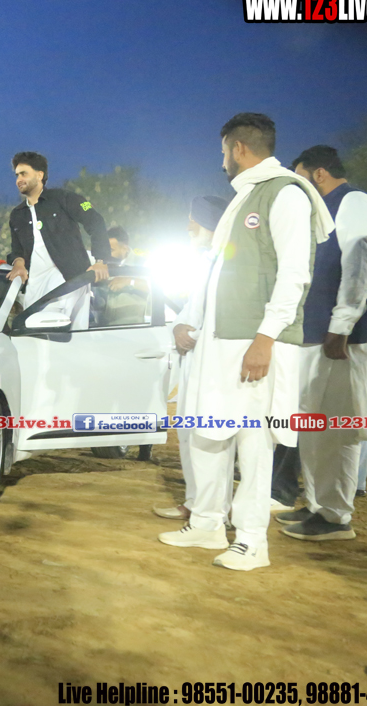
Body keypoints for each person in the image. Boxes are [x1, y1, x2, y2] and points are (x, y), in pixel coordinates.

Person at [159, 113, 333, 571]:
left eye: (223, 152)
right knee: (208, 433)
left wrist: (265, 338)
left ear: (238, 148)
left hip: (256, 342)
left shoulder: (286, 193)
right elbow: (219, 273)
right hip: (220, 342)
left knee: (254, 443)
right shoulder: (245, 198)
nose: (222, 162)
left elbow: (295, 274)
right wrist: (189, 321)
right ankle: (207, 523)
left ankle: (253, 542)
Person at [273, 145, 367, 541]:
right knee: (314, 426)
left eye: (301, 177)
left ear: (319, 174)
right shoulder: (326, 210)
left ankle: (335, 517)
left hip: (341, 339)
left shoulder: (355, 202)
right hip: (320, 336)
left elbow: (361, 264)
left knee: (337, 428)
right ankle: (317, 504)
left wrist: (341, 325)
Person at [154, 195, 229, 520]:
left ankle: (211, 511)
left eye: (193, 219)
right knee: (188, 434)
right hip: (193, 359)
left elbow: (226, 315)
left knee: (208, 438)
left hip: (212, 362)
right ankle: (195, 501)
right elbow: (189, 310)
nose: (188, 226)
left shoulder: (229, 260)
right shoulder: (206, 260)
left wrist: (191, 335)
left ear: (211, 222)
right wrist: (178, 328)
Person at [6, 151, 111, 327]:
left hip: (68, 282)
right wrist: (18, 263)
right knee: (39, 335)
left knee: (51, 329)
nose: (19, 179)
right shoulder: (17, 215)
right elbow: (17, 250)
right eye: (17, 175)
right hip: (34, 288)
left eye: (24, 174)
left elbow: (95, 220)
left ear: (39, 175)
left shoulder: (65, 198)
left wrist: (100, 261)